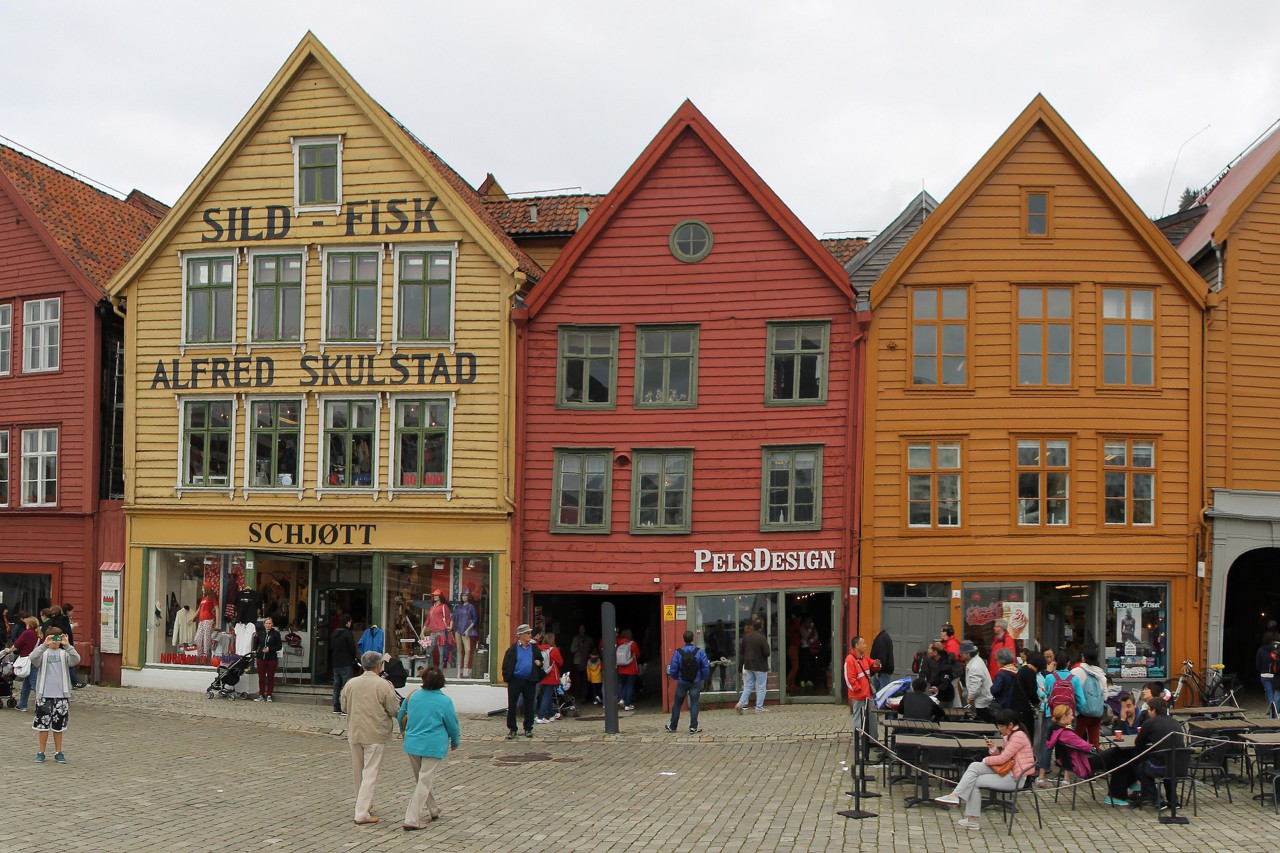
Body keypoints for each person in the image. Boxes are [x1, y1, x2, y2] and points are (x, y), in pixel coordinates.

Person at [934, 708, 1034, 829]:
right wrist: (993, 749)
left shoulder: (1018, 736)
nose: (998, 729)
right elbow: (1003, 758)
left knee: (975, 781)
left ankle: (971, 818)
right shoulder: (1009, 735)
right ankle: (955, 796)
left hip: (1015, 778)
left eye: (1000, 726)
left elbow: (1002, 759)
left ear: (1010, 725)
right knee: (974, 766)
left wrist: (985, 760)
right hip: (1007, 770)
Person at [341, 650, 402, 825]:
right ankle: (361, 812)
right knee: (370, 773)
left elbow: (344, 706)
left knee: (358, 772)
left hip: (355, 731)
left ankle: (363, 804)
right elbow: (393, 709)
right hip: (375, 733)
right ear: (378, 665)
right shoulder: (384, 685)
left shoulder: (351, 683)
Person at [397, 667, 460, 831]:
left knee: (422, 780)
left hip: (412, 743)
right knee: (424, 781)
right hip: (433, 744)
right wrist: (455, 740)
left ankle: (433, 808)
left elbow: (399, 715)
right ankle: (411, 819)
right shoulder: (445, 701)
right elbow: (452, 724)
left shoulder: (413, 696)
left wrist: (403, 730)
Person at [28, 625, 80, 763]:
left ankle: (58, 751)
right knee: (42, 726)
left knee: (58, 727)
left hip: (61, 696)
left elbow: (76, 659)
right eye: (53, 639)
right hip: (44, 695)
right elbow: (32, 657)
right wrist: (44, 645)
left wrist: (67, 645)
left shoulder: (64, 654)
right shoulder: (43, 654)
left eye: (58, 639)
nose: (55, 642)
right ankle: (41, 752)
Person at [1132, 697, 1185, 810]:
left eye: (1149, 710)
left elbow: (1138, 743)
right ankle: (1173, 800)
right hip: (1181, 765)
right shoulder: (1176, 722)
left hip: (1162, 767)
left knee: (1141, 768)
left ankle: (1157, 799)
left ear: (1154, 711)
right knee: (1167, 762)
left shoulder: (1150, 723)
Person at [501, 624, 544, 739]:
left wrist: (539, 663)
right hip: (516, 680)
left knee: (529, 704)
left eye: (530, 633)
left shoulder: (534, 647)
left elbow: (540, 659)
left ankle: (528, 728)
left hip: (530, 680)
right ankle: (512, 728)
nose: (530, 635)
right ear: (521, 635)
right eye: (528, 633)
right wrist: (508, 678)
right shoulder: (513, 649)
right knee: (513, 705)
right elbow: (506, 665)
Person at [665, 630, 711, 733]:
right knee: (694, 703)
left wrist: (677, 677)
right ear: (693, 639)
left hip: (682, 682)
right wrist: (702, 677)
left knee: (677, 704)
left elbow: (673, 668)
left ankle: (673, 726)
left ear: (683, 639)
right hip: (696, 681)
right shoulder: (699, 652)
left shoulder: (678, 652)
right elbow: (705, 667)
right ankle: (693, 727)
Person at [844, 635, 879, 765]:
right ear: (856, 646)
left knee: (872, 716)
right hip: (859, 695)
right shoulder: (850, 660)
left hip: (867, 694)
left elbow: (872, 665)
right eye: (863, 643)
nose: (865, 645)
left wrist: (876, 664)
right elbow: (849, 679)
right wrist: (858, 689)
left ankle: (872, 740)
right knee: (857, 718)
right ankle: (858, 742)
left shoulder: (864, 658)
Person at [1045, 704, 1097, 785]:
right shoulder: (1066, 733)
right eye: (1071, 715)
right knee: (1117, 754)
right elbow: (1086, 747)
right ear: (1064, 717)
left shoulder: (1056, 730)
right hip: (1083, 760)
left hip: (1068, 760)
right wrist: (1092, 746)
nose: (1073, 718)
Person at [1070, 645, 1107, 747]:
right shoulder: (1101, 675)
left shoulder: (1076, 672)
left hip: (1082, 712)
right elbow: (1105, 696)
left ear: (1083, 657)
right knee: (1094, 740)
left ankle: (1078, 760)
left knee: (1076, 738)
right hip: (1097, 713)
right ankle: (1095, 760)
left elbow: (1070, 690)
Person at [3, 616, 41, 711]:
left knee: (35, 684)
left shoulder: (27, 633)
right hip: (35, 660)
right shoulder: (39, 634)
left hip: (28, 660)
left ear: (29, 624)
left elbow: (17, 645)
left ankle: (43, 705)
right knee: (26, 684)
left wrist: (8, 650)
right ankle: (22, 705)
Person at [736, 618, 770, 713]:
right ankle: (759, 708)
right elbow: (767, 652)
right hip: (760, 665)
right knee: (761, 686)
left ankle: (740, 703)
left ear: (752, 626)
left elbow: (742, 651)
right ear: (761, 627)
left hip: (748, 664)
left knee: (748, 686)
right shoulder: (762, 637)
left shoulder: (746, 637)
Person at [331, 613, 360, 715]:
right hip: (346, 662)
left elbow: (331, 648)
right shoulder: (347, 633)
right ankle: (345, 708)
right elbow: (352, 648)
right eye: (350, 622)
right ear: (348, 622)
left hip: (336, 663)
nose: (351, 624)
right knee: (346, 686)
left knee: (336, 686)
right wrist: (354, 659)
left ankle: (336, 707)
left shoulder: (334, 633)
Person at [958, 640, 994, 722]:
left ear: (967, 654)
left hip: (981, 702)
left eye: (962, 653)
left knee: (983, 723)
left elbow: (975, 687)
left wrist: (970, 697)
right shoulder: (977, 661)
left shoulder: (974, 667)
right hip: (983, 699)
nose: (960, 655)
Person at [536, 631, 563, 724]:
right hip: (551, 675)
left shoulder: (540, 648)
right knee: (547, 697)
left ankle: (552, 714)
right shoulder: (554, 650)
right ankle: (541, 716)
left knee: (546, 695)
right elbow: (560, 662)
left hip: (542, 675)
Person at [919, 641, 958, 707]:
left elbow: (946, 682)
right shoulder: (929, 660)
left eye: (930, 649)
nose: (928, 650)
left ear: (935, 652)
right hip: (934, 695)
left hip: (944, 698)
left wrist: (938, 688)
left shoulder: (945, 664)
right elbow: (924, 673)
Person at [254, 616, 282, 702]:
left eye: (270, 623)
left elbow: (279, 646)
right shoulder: (260, 633)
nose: (268, 625)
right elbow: (256, 643)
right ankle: (261, 695)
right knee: (261, 677)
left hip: (271, 658)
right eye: (267, 623)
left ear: (272, 624)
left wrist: (270, 649)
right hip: (261, 658)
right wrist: (255, 651)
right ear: (264, 624)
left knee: (270, 677)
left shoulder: (276, 633)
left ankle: (269, 695)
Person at [452, 590, 480, 678]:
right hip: (458, 630)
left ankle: (465, 669)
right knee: (459, 649)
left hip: (466, 630)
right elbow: (453, 616)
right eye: (463, 595)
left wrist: (468, 630)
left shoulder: (471, 607)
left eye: (466, 595)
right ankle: (459, 671)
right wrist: (450, 626)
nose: (464, 597)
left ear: (469, 596)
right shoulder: (459, 607)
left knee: (467, 650)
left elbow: (475, 619)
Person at [425, 590, 452, 670]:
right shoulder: (432, 608)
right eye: (434, 595)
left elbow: (448, 617)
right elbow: (428, 620)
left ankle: (440, 670)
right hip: (433, 632)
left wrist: (449, 627)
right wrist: (423, 631)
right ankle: (431, 668)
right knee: (428, 651)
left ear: (440, 596)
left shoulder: (444, 606)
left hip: (441, 631)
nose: (435, 597)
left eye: (437, 595)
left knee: (441, 653)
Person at [615, 628, 640, 710]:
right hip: (631, 668)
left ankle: (622, 699)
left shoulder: (619, 643)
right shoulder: (633, 644)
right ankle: (627, 705)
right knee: (629, 686)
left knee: (623, 684)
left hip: (621, 668)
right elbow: (638, 655)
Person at [1257, 630, 1279, 719]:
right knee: (1276, 695)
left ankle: (1272, 713)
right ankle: (1275, 714)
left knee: (1270, 694)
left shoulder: (1261, 650)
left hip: (1264, 675)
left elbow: (1258, 664)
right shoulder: (1276, 650)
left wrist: (1261, 671)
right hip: (1274, 675)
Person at [569, 624, 594, 699]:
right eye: (580, 628)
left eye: (583, 628)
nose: (581, 630)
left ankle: (584, 695)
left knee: (585, 679)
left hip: (587, 661)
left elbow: (592, 648)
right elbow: (572, 650)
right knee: (578, 679)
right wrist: (578, 644)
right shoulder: (576, 638)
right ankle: (579, 694)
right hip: (578, 661)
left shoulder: (589, 639)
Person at [704, 620, 730, 691]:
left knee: (710, 671)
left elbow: (708, 643)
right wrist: (729, 653)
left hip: (714, 655)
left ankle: (706, 687)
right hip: (722, 655)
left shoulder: (712, 634)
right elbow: (730, 644)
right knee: (722, 672)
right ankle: (723, 687)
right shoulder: (726, 634)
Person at [870, 627, 895, 692]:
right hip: (884, 669)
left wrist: (878, 670)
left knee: (884, 693)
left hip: (882, 670)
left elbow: (881, 655)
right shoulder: (886, 637)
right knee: (879, 692)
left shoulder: (880, 639)